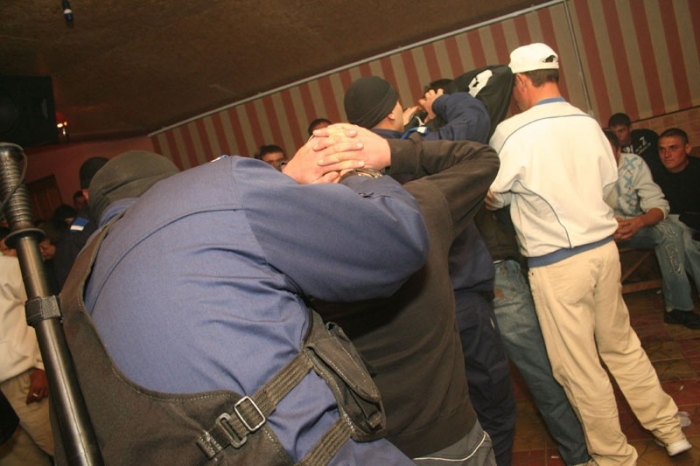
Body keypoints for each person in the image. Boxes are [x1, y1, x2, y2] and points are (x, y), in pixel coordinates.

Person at [62, 139, 433, 464]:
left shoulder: (73, 290)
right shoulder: (217, 185)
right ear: (173, 178)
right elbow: (397, 237)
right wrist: (359, 172)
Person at [487, 42, 691, 464]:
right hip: (603, 252)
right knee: (623, 347)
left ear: (521, 81)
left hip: (558, 264)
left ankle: (614, 457)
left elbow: (494, 196)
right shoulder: (588, 122)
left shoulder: (511, 132)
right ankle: (670, 431)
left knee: (579, 369)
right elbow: (608, 186)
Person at [341, 75, 511, 465]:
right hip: (461, 297)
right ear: (391, 111)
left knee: (435, 420)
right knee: (492, 403)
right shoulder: (413, 149)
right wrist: (439, 102)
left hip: (404, 319)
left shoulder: (346, 176)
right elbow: (475, 124)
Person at [473, 207, 591, 466]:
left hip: (490, 268)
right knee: (534, 374)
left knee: (539, 373)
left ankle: (581, 455)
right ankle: (580, 455)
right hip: (475, 273)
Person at [603, 129, 700, 327]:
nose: (605, 161)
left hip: (635, 226)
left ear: (620, 151)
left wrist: (639, 222)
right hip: (598, 233)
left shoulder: (634, 163)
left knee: (671, 232)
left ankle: (678, 309)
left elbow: (657, 205)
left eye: (610, 155)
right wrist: (607, 229)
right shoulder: (579, 170)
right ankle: (602, 323)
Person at [0, 252, 54, 465]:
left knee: (61, 446)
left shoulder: (8, 266)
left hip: (24, 380)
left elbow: (43, 311)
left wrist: (43, 365)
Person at [653, 127, 700, 298]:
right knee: (685, 241)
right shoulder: (654, 175)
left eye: (673, 148)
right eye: (662, 149)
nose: (667, 155)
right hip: (674, 221)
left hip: (695, 219)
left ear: (687, 148)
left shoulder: (697, 168)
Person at [53, 156, 109, 290]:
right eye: (106, 187)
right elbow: (72, 289)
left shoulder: (124, 212)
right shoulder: (76, 236)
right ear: (87, 194)